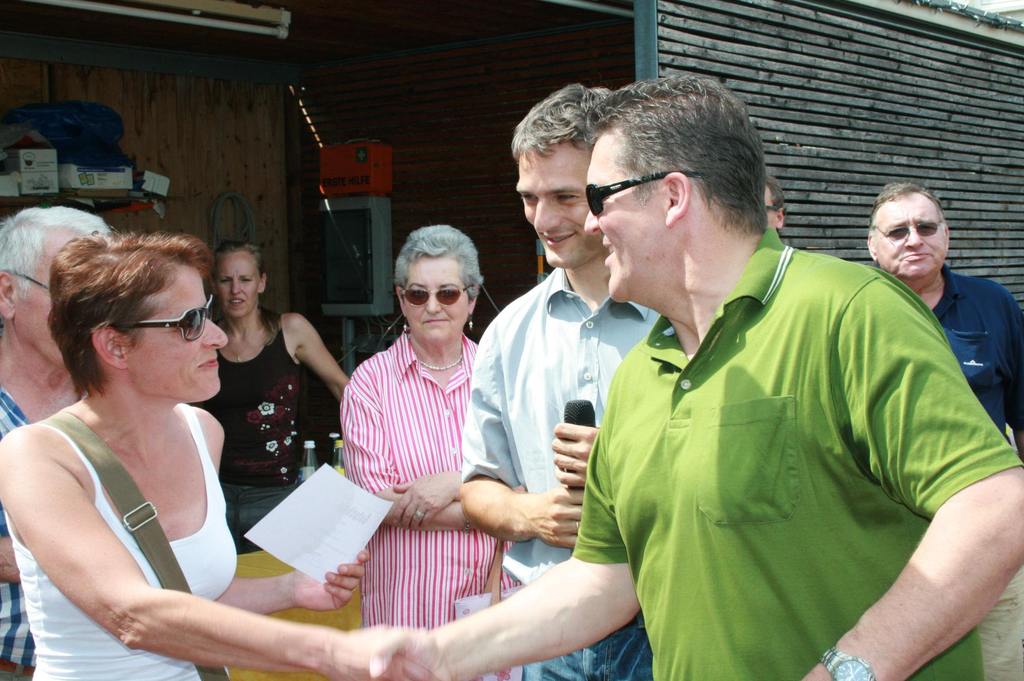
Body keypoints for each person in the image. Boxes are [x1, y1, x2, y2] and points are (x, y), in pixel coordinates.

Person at [369, 76, 1024, 681]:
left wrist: (850, 669)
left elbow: (996, 506)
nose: (583, 223)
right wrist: (434, 652)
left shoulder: (849, 310)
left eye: (596, 198)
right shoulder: (645, 369)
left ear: (673, 196)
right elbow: (602, 580)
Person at [0, 231, 376, 679]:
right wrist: (328, 651)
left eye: (208, 313)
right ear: (115, 346)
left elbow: (191, 597)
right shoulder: (37, 456)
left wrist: (291, 588)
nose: (216, 335)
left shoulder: (203, 432)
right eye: (191, 321)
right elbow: (134, 615)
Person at [459, 84, 655, 679]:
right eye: (529, 198)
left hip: (663, 623)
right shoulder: (507, 333)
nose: (543, 220)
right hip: (549, 635)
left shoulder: (681, 320)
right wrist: (531, 515)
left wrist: (626, 465)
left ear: (613, 185)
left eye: (565, 196)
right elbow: (478, 487)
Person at [868, 182, 1024, 681]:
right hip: (886, 536)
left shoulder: (994, 304)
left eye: (926, 226)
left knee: (998, 663)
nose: (914, 239)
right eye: (897, 231)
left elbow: (1022, 414)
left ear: (947, 236)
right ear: (872, 246)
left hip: (986, 534)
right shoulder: (854, 312)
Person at [342, 224, 514, 629]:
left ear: (472, 299)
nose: (433, 306)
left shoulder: (502, 376)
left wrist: (455, 483)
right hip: (408, 605)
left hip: (495, 598)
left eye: (448, 293)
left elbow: (529, 483)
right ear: (402, 301)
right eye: (419, 294)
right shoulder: (369, 384)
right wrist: (487, 506)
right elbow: (375, 501)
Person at [0, 206, 111, 679]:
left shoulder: (125, 397)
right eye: (69, 291)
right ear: (8, 293)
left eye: (103, 293)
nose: (91, 313)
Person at [204, 240, 350, 553]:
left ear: (262, 283)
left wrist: (378, 449)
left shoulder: (291, 329)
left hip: (276, 494)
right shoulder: (204, 339)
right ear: (213, 285)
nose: (236, 290)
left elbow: (343, 388)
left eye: (245, 279)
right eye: (226, 280)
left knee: (276, 581)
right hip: (215, 493)